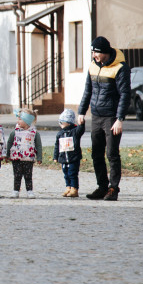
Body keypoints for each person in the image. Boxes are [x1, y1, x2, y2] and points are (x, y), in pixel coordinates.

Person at [77, 36, 130, 201]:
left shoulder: (120, 68)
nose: (94, 55)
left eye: (96, 52)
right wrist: (81, 112)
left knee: (112, 154)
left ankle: (113, 189)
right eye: (92, 52)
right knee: (96, 154)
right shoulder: (93, 66)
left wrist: (120, 119)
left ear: (105, 52)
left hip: (111, 117)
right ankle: (102, 186)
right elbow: (88, 91)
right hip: (96, 116)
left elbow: (125, 95)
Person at [6, 108, 42, 198]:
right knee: (17, 176)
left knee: (28, 176)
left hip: (28, 158)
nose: (18, 121)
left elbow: (38, 145)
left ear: (27, 121)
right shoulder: (15, 132)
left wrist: (39, 157)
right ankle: (16, 191)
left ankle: (29, 191)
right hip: (16, 158)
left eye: (20, 119)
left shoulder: (34, 133)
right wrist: (7, 154)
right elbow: (9, 143)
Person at [55, 108, 86, 198]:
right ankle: (68, 187)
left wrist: (82, 123)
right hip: (63, 158)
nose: (60, 124)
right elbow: (57, 146)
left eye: (61, 122)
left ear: (68, 122)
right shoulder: (60, 134)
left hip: (73, 157)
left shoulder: (75, 131)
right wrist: (55, 156)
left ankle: (74, 188)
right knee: (66, 174)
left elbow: (81, 130)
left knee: (73, 173)